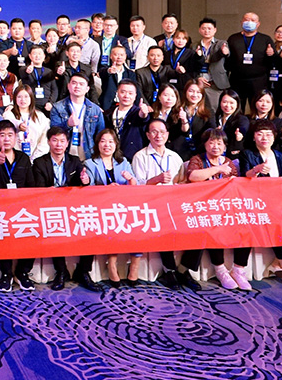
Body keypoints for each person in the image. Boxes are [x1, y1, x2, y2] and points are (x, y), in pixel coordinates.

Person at [182, 129, 251, 291]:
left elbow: (235, 184)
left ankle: (238, 269)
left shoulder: (228, 161)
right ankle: (220, 270)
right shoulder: (197, 159)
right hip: (202, 207)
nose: (215, 146)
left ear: (225, 146)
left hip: (226, 207)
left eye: (219, 143)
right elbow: (193, 176)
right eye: (211, 142)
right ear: (205, 144)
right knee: (213, 224)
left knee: (246, 224)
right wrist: (218, 169)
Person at [32, 127, 99, 291]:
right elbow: (39, 189)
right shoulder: (40, 163)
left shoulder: (75, 161)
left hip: (73, 208)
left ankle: (83, 272)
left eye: (62, 141)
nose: (58, 144)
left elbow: (82, 183)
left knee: (89, 229)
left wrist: (85, 180)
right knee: (54, 230)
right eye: (55, 140)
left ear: (67, 143)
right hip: (51, 209)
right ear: (49, 142)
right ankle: (61, 272)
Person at [130, 119, 193, 289]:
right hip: (152, 205)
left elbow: (182, 180)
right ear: (148, 135)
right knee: (163, 224)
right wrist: (157, 179)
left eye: (162, 132)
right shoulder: (140, 156)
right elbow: (137, 187)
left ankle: (184, 269)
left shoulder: (175, 157)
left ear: (167, 135)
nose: (158, 135)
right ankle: (169, 271)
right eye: (154, 132)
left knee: (198, 224)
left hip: (175, 203)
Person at [238, 119, 282, 286]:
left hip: (279, 200)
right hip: (257, 201)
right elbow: (245, 177)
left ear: (274, 137)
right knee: (274, 223)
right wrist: (256, 170)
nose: (265, 137)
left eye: (269, 134)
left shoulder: (279, 156)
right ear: (254, 137)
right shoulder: (247, 154)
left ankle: (276, 263)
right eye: (260, 134)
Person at [0, 120, 38, 291]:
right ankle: (6, 273)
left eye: (10, 135)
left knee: (33, 231)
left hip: (21, 208)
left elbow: (31, 185)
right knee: (3, 235)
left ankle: (23, 272)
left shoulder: (23, 158)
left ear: (15, 137)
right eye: (2, 135)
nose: (6, 139)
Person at [84, 128, 138, 285]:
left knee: (138, 223)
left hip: (125, 206)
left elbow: (135, 186)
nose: (107, 145)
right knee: (112, 225)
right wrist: (107, 189)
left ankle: (135, 265)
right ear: (97, 144)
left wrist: (130, 179)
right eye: (103, 141)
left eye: (110, 141)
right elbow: (88, 189)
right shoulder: (90, 163)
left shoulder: (123, 162)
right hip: (102, 208)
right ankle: (112, 264)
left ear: (116, 144)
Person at [225, 12, 275, 113]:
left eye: (253, 20)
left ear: (258, 24)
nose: (249, 22)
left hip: (258, 81)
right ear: (241, 22)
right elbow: (227, 62)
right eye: (247, 20)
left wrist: (271, 55)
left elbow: (272, 63)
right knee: (236, 108)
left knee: (258, 108)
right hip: (237, 80)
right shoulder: (233, 38)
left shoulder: (265, 39)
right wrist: (225, 54)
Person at [49, 73, 105, 160]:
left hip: (89, 155)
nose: (77, 86)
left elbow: (100, 135)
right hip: (65, 155)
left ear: (87, 89)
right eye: (74, 83)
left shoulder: (95, 110)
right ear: (68, 86)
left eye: (81, 84)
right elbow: (53, 133)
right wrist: (67, 124)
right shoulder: (58, 107)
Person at [106, 80, 151, 161]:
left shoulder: (138, 112)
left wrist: (144, 114)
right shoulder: (108, 113)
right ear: (117, 93)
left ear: (135, 96)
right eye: (123, 92)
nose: (126, 96)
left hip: (133, 158)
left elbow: (143, 119)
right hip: (111, 157)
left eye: (130, 93)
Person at [3, 85, 48, 162]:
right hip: (14, 160)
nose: (23, 100)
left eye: (26, 96)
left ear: (31, 98)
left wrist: (34, 160)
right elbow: (10, 121)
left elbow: (44, 141)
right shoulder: (9, 114)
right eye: (19, 97)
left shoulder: (40, 116)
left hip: (36, 159)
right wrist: (19, 125)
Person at [193, 18, 230, 111]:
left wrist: (224, 52)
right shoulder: (194, 45)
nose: (206, 31)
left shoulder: (221, 43)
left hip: (215, 83)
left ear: (215, 30)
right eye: (204, 28)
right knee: (198, 109)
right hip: (200, 82)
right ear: (199, 30)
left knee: (214, 109)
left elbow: (225, 53)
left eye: (209, 28)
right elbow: (192, 65)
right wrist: (197, 78)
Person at [97, 44, 137, 111]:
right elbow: (102, 73)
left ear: (125, 56)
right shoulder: (106, 70)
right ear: (111, 56)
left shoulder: (130, 74)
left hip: (125, 105)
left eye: (121, 55)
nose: (119, 57)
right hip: (108, 105)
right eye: (116, 55)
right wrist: (109, 71)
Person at [211, 90, 250, 159]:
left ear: (237, 104)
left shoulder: (241, 119)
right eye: (225, 102)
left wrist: (240, 134)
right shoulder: (215, 117)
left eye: (231, 103)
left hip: (232, 156)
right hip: (213, 153)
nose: (228, 105)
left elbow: (243, 127)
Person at [18, 44, 56, 113]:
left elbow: (54, 89)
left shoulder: (49, 71)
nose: (37, 56)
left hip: (46, 106)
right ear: (30, 56)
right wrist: (28, 70)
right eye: (34, 54)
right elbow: (23, 73)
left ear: (44, 56)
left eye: (39, 53)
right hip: (30, 105)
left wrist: (51, 102)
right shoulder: (24, 69)